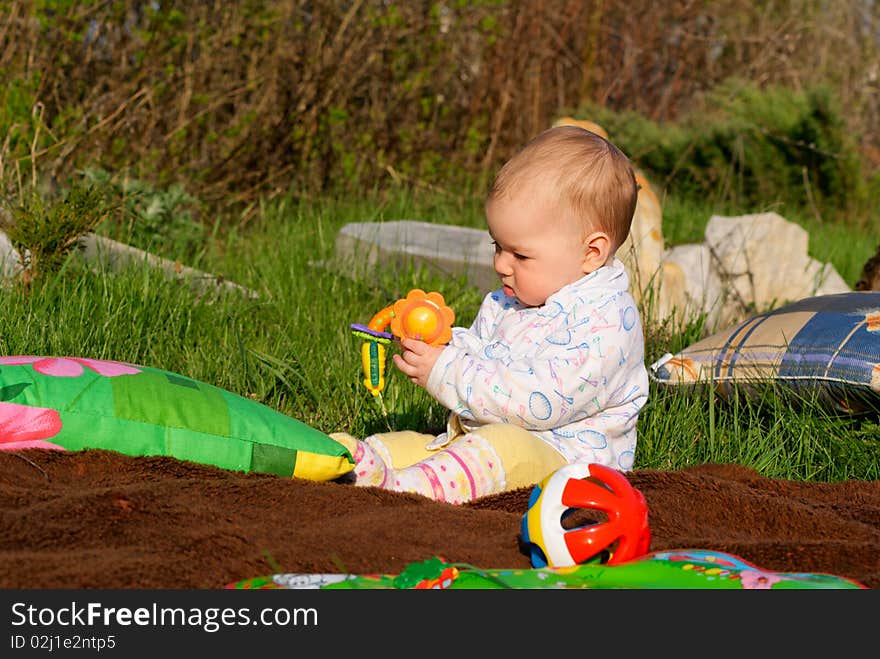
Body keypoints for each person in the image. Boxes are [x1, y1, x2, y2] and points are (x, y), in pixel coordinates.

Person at [332, 125, 649, 504]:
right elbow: (486, 353)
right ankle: (354, 462)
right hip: (480, 440)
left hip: (567, 472)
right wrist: (446, 343)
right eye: (497, 245)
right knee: (422, 447)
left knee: (502, 446)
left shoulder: (607, 324)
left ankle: (407, 494)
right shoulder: (509, 300)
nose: (501, 264)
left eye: (520, 255)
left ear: (591, 253)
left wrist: (446, 370)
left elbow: (534, 403)